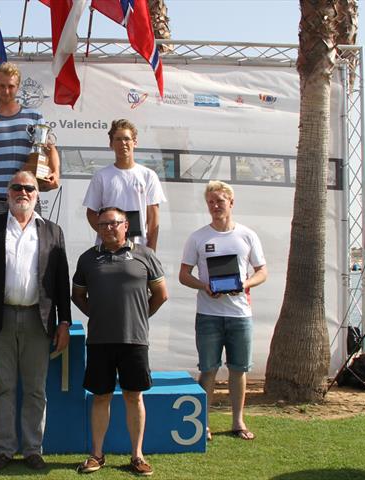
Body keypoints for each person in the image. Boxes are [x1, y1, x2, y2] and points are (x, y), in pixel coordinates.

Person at [0, 170, 71, 471]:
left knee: (36, 388)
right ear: (7, 193)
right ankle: (4, 449)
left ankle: (32, 449)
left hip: (38, 320)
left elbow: (61, 282)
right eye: (17, 187)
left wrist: (64, 322)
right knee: (3, 388)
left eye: (29, 188)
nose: (22, 192)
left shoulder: (53, 231)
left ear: (37, 195)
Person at [71, 207, 168, 476]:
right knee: (100, 397)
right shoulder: (88, 259)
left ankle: (137, 456)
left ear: (126, 225)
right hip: (100, 340)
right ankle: (96, 455)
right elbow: (77, 295)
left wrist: (140, 315)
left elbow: (161, 294)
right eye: (102, 225)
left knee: (133, 396)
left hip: (134, 340)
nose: (107, 229)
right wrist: (98, 313)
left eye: (113, 223)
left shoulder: (145, 255)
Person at [179, 180, 267, 442]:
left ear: (231, 202)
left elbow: (262, 271)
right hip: (208, 315)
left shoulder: (247, 235)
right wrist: (204, 286)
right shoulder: (197, 237)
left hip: (240, 315)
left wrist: (245, 284)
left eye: (219, 201)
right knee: (208, 369)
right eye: (211, 202)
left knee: (239, 370)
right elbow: (184, 275)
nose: (215, 206)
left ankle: (238, 421)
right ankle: (201, 423)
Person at [0, 62, 60, 219]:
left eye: (11, 86)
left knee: (30, 243)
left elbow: (50, 149)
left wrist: (56, 173)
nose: (6, 91)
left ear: (18, 87)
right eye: (2, 86)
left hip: (26, 193)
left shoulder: (34, 117)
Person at [82, 119, 166, 250]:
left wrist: (151, 250)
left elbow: (153, 216)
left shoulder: (148, 175)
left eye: (127, 139)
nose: (123, 143)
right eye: (118, 139)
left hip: (139, 248)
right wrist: (108, 234)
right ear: (111, 144)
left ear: (135, 142)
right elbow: (91, 213)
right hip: (107, 249)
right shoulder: (101, 176)